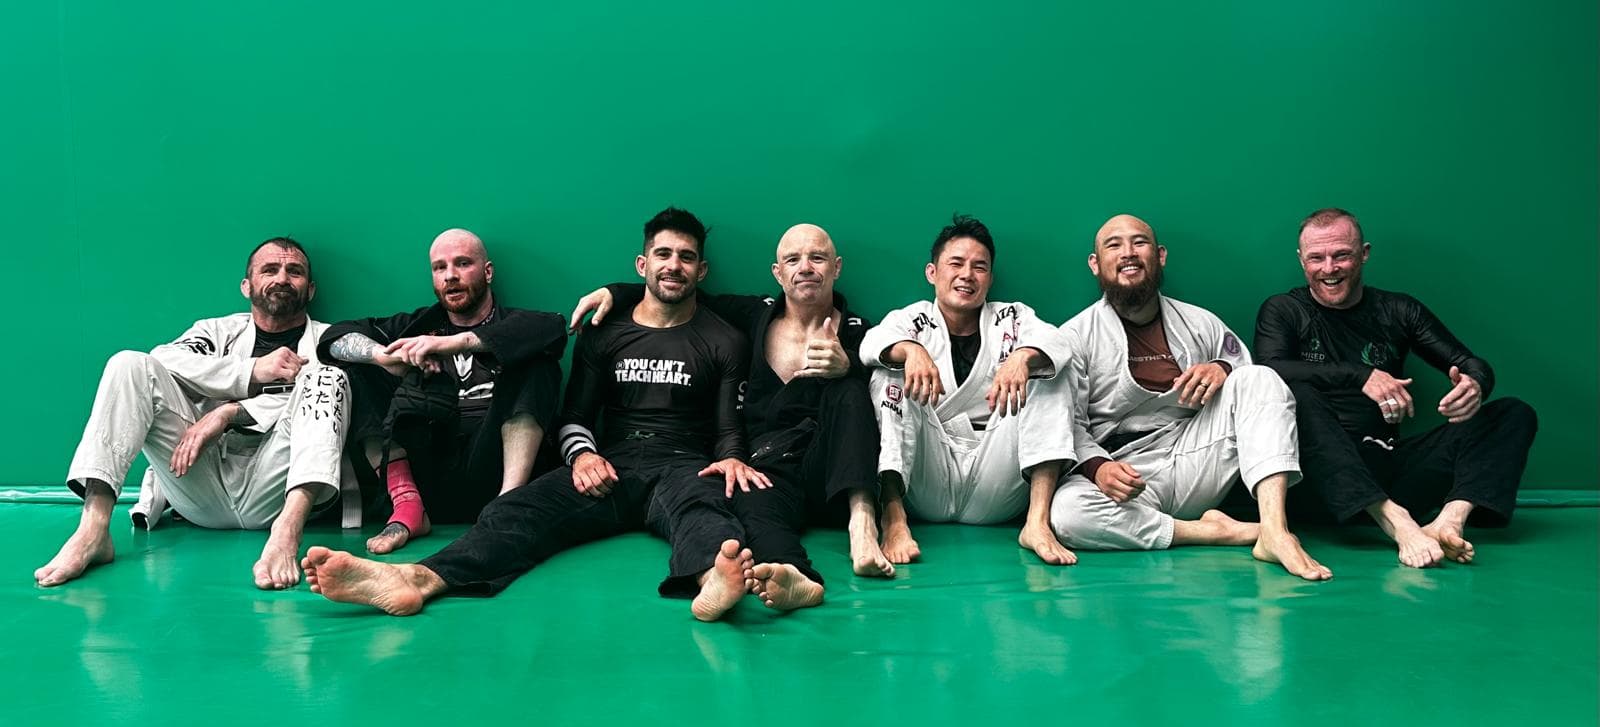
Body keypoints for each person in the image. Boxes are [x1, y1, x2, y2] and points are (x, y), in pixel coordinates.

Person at [302, 207, 769, 621]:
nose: (674, 266)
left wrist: (731, 456)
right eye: (663, 255)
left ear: (701, 269)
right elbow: (576, 415)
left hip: (683, 463)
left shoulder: (723, 339)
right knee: (518, 512)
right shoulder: (605, 333)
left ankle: (713, 578)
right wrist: (582, 457)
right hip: (609, 464)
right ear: (642, 265)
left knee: (704, 508)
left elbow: (730, 426)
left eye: (686, 257)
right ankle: (416, 580)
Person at [570, 222, 892, 613]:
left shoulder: (863, 333)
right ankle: (799, 577)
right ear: (778, 272)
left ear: (836, 267)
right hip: (771, 467)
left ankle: (862, 525)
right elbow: (675, 291)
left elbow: (889, 400)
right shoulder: (752, 315)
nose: (805, 267)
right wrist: (615, 292)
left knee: (849, 388)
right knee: (751, 509)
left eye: (817, 257)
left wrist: (848, 369)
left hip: (836, 478)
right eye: (793, 259)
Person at [35, 237, 350, 590]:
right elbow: (164, 358)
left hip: (276, 486)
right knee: (130, 364)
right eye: (269, 269)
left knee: (329, 378)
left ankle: (287, 535)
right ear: (247, 286)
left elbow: (328, 409)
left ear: (310, 288)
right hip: (201, 480)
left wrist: (228, 413)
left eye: (294, 271)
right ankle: (93, 528)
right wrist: (251, 372)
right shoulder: (216, 331)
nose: (281, 278)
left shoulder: (329, 341)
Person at [1048, 214, 1332, 581]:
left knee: (1261, 378)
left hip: (1194, 455)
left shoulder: (1199, 322)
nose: (1128, 253)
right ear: (1095, 263)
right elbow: (1065, 422)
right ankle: (1218, 532)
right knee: (1068, 514)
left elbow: (1245, 375)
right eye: (1113, 245)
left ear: (1160, 255)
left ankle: (1275, 530)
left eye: (1140, 242)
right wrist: (1097, 468)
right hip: (1123, 471)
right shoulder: (1076, 335)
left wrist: (1222, 368)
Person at [1254, 207, 1537, 567]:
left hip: (1388, 469)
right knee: (1297, 395)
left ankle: (1448, 522)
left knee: (1513, 413)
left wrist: (1475, 383)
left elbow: (1469, 362)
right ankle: (1395, 520)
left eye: (1342, 255)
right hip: (1315, 482)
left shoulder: (1399, 310)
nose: (1329, 268)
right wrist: (1362, 376)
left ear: (1364, 253)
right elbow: (1268, 370)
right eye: (1316, 258)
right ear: (1301, 260)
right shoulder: (1284, 309)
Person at [318, 229, 565, 554]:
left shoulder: (520, 323)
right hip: (428, 471)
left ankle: (509, 506)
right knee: (359, 367)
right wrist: (384, 358)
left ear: (487, 272)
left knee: (537, 362)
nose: (450, 276)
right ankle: (406, 504)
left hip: (494, 468)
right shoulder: (416, 325)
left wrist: (452, 343)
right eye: (440, 267)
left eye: (463, 263)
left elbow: (552, 327)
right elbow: (335, 337)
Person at [861, 214, 1078, 566]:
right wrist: (911, 350)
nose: (967, 275)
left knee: (1051, 373)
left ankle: (1037, 522)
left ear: (990, 278)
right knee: (888, 375)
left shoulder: (1011, 317)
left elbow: (1057, 341)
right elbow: (871, 343)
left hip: (996, 472)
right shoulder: (912, 319)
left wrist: (1023, 357)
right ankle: (893, 516)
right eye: (956, 263)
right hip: (927, 472)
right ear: (932, 273)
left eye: (980, 267)